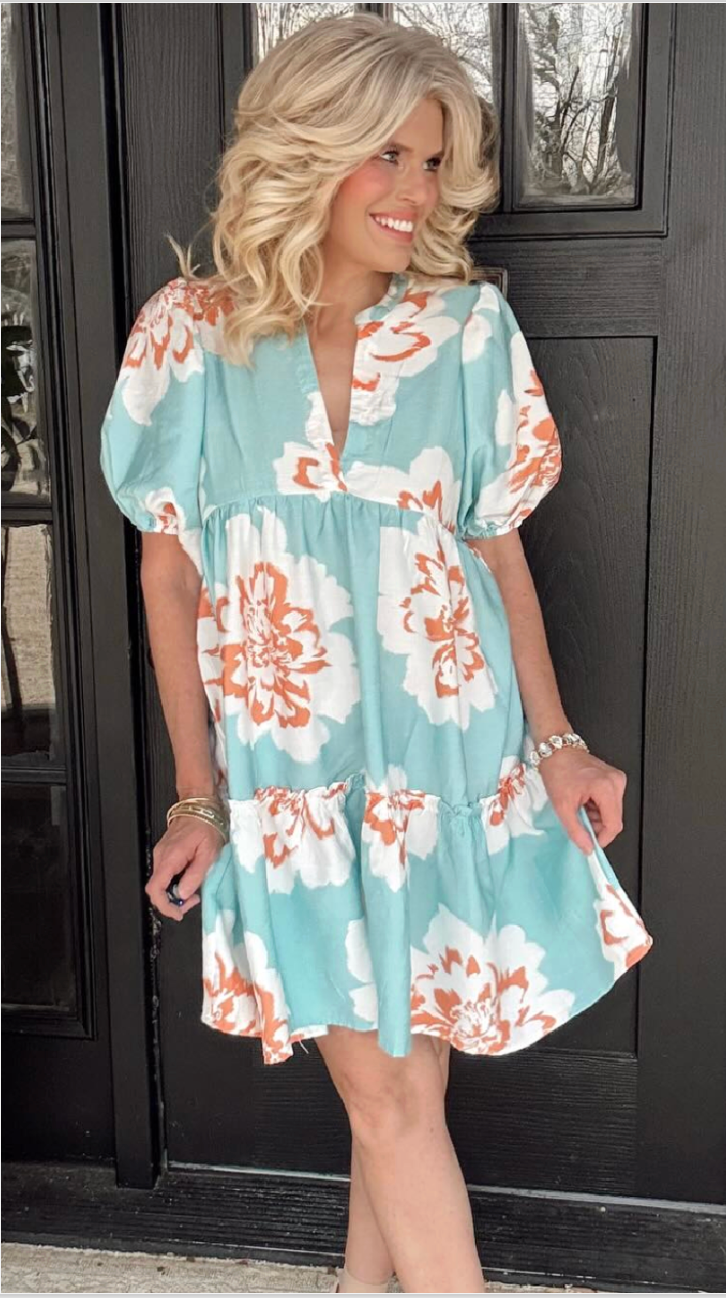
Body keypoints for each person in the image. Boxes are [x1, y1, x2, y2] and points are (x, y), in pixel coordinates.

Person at [98, 14, 654, 1295]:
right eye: (387, 155)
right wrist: (199, 794)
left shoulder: (465, 332)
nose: (417, 191)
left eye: (434, 161)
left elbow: (497, 553)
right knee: (391, 1094)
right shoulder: (192, 334)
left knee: (399, 1090)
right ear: (308, 151)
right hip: (295, 781)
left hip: (446, 764)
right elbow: (169, 576)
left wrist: (559, 743)